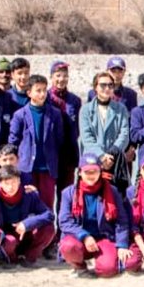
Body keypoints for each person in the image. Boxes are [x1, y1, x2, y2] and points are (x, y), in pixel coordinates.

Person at [57, 153, 130, 277]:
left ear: (100, 171)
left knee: (108, 269)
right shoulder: (68, 193)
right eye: (87, 172)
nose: (91, 175)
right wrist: (84, 236)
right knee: (68, 246)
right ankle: (79, 267)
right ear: (80, 173)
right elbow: (64, 221)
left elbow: (121, 220)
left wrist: (122, 244)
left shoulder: (112, 191)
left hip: (103, 237)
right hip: (79, 239)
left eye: (94, 171)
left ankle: (101, 261)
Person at [8, 73, 65, 208]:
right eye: (38, 90)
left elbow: (59, 139)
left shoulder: (55, 114)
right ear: (29, 93)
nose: (42, 94)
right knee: (27, 205)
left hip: (47, 168)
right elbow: (13, 140)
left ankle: (47, 229)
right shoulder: (20, 115)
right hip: (27, 168)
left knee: (46, 205)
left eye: (44, 90)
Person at [79, 70, 132, 192]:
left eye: (110, 85)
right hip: (92, 161)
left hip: (115, 162)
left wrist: (112, 154)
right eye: (103, 85)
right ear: (95, 88)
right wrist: (102, 156)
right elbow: (87, 138)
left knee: (117, 198)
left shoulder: (121, 109)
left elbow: (124, 134)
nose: (107, 88)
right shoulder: (85, 110)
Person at [0, 165, 56, 266]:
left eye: (13, 182)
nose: (10, 187)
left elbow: (49, 214)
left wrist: (27, 224)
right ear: (0, 184)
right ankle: (10, 259)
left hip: (25, 233)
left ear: (19, 181)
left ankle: (29, 258)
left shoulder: (29, 194)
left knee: (49, 228)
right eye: (6, 183)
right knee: (10, 242)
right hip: (7, 236)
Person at [46, 61, 82, 197]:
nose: (61, 79)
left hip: (69, 154)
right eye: (58, 75)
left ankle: (65, 219)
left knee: (67, 194)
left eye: (65, 76)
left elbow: (77, 128)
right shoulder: (45, 97)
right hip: (49, 154)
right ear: (51, 77)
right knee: (47, 195)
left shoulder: (75, 100)